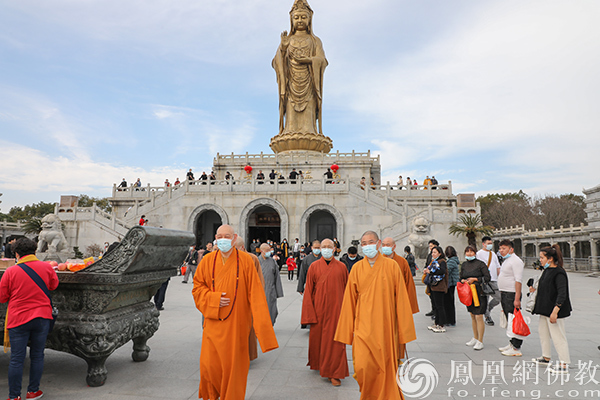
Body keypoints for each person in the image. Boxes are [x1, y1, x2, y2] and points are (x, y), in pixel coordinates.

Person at [192, 225, 278, 399]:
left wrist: (264, 332)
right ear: (216, 238)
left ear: (234, 237)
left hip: (237, 325)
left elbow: (256, 295)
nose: (223, 239)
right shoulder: (208, 260)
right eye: (220, 236)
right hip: (213, 324)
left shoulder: (246, 261)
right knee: (210, 366)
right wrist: (213, 299)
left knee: (234, 369)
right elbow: (197, 288)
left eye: (227, 236)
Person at [335, 231, 416, 400]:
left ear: (378, 243)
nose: (367, 246)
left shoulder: (392, 266)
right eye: (363, 243)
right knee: (363, 367)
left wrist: (404, 330)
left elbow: (401, 297)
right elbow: (349, 300)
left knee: (385, 367)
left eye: (370, 242)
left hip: (386, 326)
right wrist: (346, 330)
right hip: (363, 326)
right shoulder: (356, 268)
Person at [0, 238, 59, 400]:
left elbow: (2, 297)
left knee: (17, 359)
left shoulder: (11, 271)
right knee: (38, 355)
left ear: (17, 253)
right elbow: (53, 285)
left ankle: (14, 396)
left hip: (18, 319)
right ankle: (33, 391)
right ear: (35, 251)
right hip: (42, 317)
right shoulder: (46, 267)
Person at [272, 0, 327, 138]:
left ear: (309, 20)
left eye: (303, 17)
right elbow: (276, 62)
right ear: (291, 20)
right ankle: (289, 131)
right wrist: (283, 48)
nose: (300, 20)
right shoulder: (288, 39)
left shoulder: (315, 41)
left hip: (310, 83)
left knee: (308, 111)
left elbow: (322, 61)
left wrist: (309, 60)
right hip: (291, 84)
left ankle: (310, 132)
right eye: (296, 17)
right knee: (291, 113)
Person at [301, 239, 349, 387]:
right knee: (319, 341)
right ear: (319, 249)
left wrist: (349, 312)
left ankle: (334, 373)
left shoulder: (342, 267)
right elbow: (308, 291)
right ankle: (319, 363)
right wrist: (309, 313)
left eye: (329, 247)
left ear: (334, 249)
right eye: (324, 247)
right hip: (319, 310)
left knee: (336, 343)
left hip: (337, 310)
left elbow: (348, 291)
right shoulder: (314, 266)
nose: (326, 249)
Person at [531, 244, 572, 373]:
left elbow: (562, 293)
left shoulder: (559, 273)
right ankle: (546, 357)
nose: (540, 260)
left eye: (542, 257)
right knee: (543, 333)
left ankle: (564, 363)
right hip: (545, 310)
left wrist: (556, 310)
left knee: (558, 336)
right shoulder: (546, 271)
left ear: (550, 259)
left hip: (555, 311)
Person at [233, 237, 266, 362]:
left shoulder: (252, 258)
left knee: (248, 329)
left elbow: (259, 281)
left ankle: (247, 355)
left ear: (242, 247)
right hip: (231, 301)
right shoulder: (229, 258)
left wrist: (256, 299)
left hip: (247, 300)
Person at [497, 239, 525, 357]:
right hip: (505, 293)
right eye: (500, 248)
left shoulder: (516, 261)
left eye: (504, 248)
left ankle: (516, 346)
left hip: (512, 294)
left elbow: (518, 280)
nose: (501, 251)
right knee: (510, 320)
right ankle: (511, 343)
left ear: (511, 249)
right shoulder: (507, 260)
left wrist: (517, 298)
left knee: (514, 320)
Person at [460, 245, 491, 351]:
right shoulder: (464, 264)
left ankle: (480, 340)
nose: (469, 254)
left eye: (471, 252)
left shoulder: (480, 264)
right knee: (472, 315)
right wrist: (464, 281)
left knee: (479, 316)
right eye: (467, 252)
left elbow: (487, 277)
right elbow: (461, 277)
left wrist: (475, 279)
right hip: (469, 294)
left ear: (475, 253)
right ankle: (475, 337)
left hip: (479, 293)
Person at [476, 236, 501, 326]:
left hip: (493, 279)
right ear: (483, 244)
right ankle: (487, 316)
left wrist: (499, 276)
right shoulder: (479, 254)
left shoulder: (493, 254)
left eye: (491, 243)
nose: (490, 245)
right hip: (484, 280)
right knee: (485, 299)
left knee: (498, 297)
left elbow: (498, 266)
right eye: (488, 243)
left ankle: (489, 309)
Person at [258, 243, 284, 325]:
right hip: (259, 291)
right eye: (267, 250)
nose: (269, 252)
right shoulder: (256, 261)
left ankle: (270, 324)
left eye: (270, 250)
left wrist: (278, 292)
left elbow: (277, 277)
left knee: (272, 309)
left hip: (270, 290)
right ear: (262, 251)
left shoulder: (272, 261)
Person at [424, 245, 448, 333]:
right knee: (436, 306)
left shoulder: (442, 261)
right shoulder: (434, 261)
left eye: (435, 252)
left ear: (440, 253)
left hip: (439, 286)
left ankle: (441, 325)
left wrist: (431, 271)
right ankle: (436, 323)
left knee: (440, 306)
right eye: (432, 252)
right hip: (433, 286)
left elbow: (442, 271)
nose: (433, 254)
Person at [444, 246, 460, 327]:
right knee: (450, 302)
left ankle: (450, 320)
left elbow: (447, 271)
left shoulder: (451, 261)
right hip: (451, 284)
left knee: (449, 302)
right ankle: (450, 320)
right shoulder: (454, 260)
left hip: (450, 284)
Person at [424, 239, 440, 318]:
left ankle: (436, 312)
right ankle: (433, 310)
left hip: (435, 279)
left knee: (436, 298)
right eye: (429, 246)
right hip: (430, 278)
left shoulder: (439, 257)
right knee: (431, 295)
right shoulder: (430, 255)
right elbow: (427, 264)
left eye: (431, 246)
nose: (430, 248)